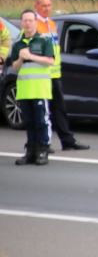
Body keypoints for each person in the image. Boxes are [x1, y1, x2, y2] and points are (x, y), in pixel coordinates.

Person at [34, 0, 89, 151]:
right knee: (43, 111)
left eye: (49, 5)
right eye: (44, 5)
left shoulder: (50, 23)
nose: (47, 8)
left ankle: (67, 140)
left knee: (59, 109)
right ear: (36, 6)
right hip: (42, 74)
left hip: (54, 74)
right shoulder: (34, 24)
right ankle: (44, 143)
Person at [12, 10, 55, 166]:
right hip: (24, 89)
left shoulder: (44, 40)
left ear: (36, 23)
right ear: (21, 24)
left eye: (31, 20)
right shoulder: (18, 44)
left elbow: (50, 61)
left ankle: (42, 149)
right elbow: (15, 67)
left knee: (41, 121)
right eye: (25, 21)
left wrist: (31, 56)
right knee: (28, 121)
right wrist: (21, 58)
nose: (28, 24)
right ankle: (30, 150)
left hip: (39, 89)